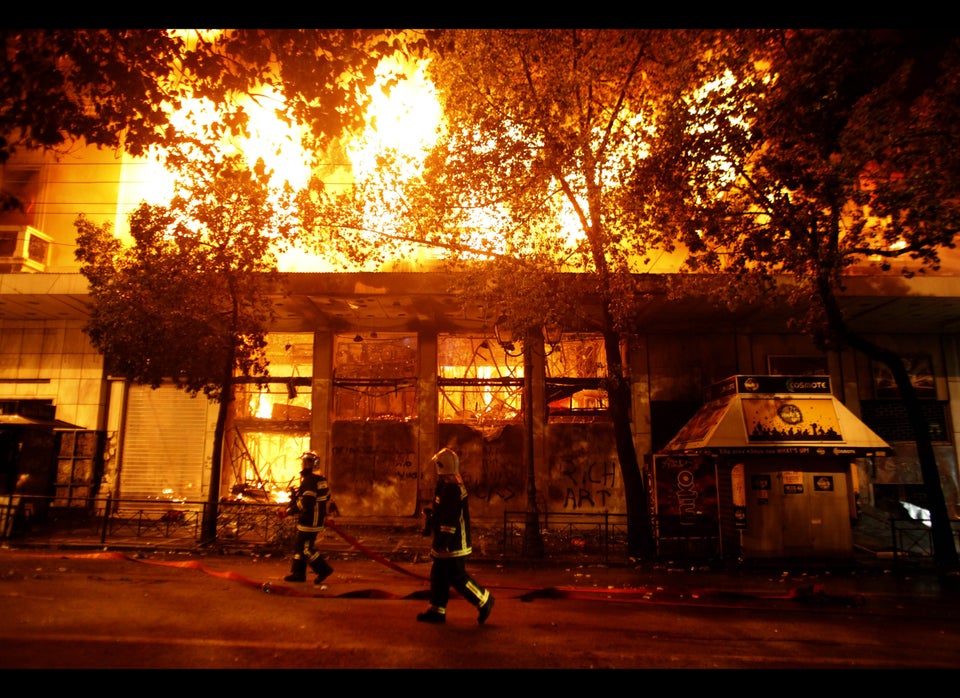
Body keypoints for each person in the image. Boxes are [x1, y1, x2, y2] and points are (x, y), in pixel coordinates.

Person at [417, 438, 495, 625]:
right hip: (445, 542)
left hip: (453, 543)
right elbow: (441, 512)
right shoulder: (445, 484)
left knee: (457, 577)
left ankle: (484, 600)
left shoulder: (452, 488)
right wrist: (431, 519)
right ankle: (437, 611)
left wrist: (443, 541)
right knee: (438, 576)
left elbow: (450, 519)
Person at [283, 451, 335, 584]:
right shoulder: (320, 479)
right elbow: (326, 497)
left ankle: (323, 569)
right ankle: (298, 574)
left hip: (310, 520)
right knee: (300, 546)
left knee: (305, 548)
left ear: (310, 464)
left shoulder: (310, 480)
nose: (302, 465)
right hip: (314, 519)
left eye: (305, 462)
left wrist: (290, 511)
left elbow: (307, 501)